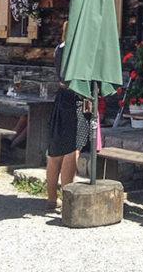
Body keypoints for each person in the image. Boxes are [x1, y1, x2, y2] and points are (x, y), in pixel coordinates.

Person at [45, 32, 90, 212]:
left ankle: (51, 199)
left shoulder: (60, 48)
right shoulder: (79, 50)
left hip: (61, 98)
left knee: (56, 151)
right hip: (78, 100)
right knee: (73, 149)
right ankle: (68, 200)